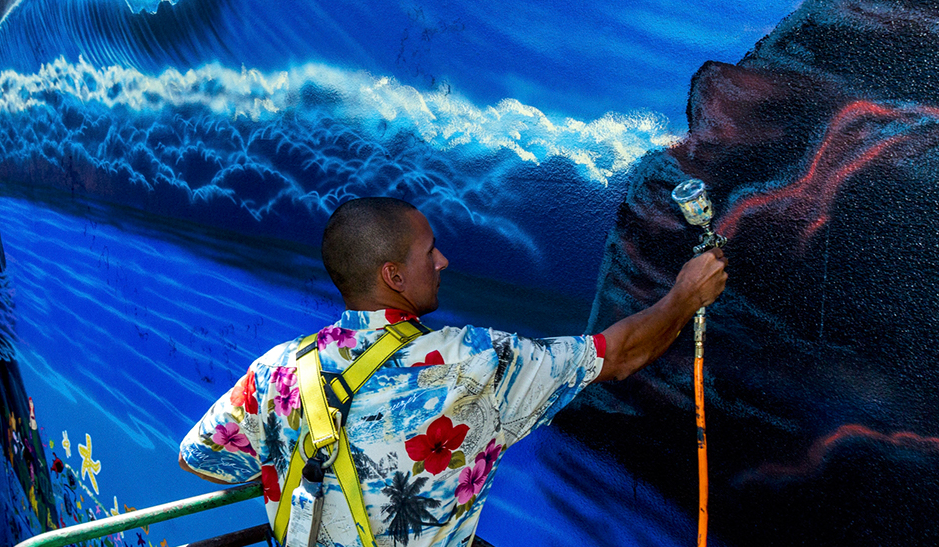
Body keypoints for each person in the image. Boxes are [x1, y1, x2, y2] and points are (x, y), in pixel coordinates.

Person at [179, 197, 727, 547]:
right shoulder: (476, 365)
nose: (442, 262)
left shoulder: (277, 370)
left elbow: (199, 458)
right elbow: (621, 353)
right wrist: (684, 295)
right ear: (394, 276)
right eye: (429, 251)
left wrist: (298, 470)